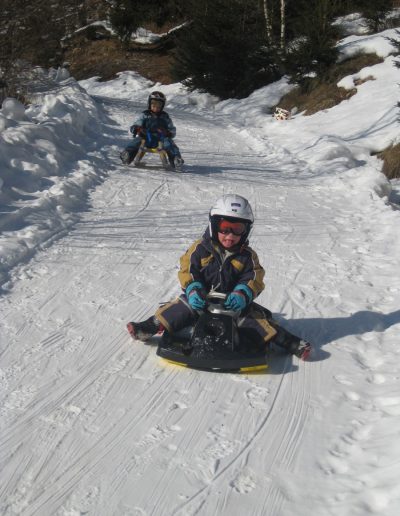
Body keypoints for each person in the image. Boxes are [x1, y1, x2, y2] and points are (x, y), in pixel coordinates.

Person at [127, 194, 311, 360]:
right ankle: (148, 327)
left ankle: (291, 343)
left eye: (237, 229)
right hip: (201, 301)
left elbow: (254, 277)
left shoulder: (247, 256)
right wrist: (193, 288)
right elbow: (187, 268)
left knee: (256, 323)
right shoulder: (200, 248)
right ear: (214, 226)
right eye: (225, 228)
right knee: (179, 309)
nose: (230, 235)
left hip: (233, 306)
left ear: (245, 230)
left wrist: (243, 292)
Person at [120, 91, 183, 169]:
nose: (156, 107)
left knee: (169, 143)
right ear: (149, 104)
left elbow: (172, 129)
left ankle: (175, 159)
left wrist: (168, 132)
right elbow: (138, 122)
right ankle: (127, 155)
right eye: (153, 104)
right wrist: (136, 128)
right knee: (136, 141)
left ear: (162, 106)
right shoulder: (145, 115)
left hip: (161, 139)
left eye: (159, 105)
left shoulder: (165, 117)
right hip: (146, 138)